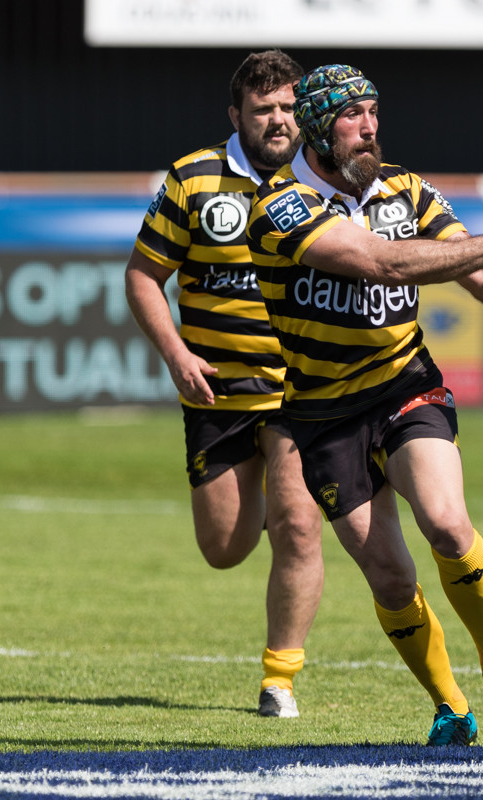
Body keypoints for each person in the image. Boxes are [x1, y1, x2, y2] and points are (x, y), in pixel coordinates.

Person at [246, 64, 483, 746]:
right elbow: (382, 264)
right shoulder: (281, 206)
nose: (369, 126)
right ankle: (451, 709)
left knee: (449, 525)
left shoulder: (405, 188)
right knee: (392, 578)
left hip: (403, 386)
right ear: (315, 127)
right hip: (322, 415)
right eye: (351, 116)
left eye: (373, 111)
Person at [124, 50, 325, 719]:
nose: (278, 120)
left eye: (289, 107)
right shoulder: (192, 179)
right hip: (216, 392)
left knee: (299, 525)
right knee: (224, 548)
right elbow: (143, 276)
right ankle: (266, 493)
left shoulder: (326, 179)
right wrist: (177, 354)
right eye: (263, 108)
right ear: (235, 114)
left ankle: (279, 682)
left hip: (299, 392)